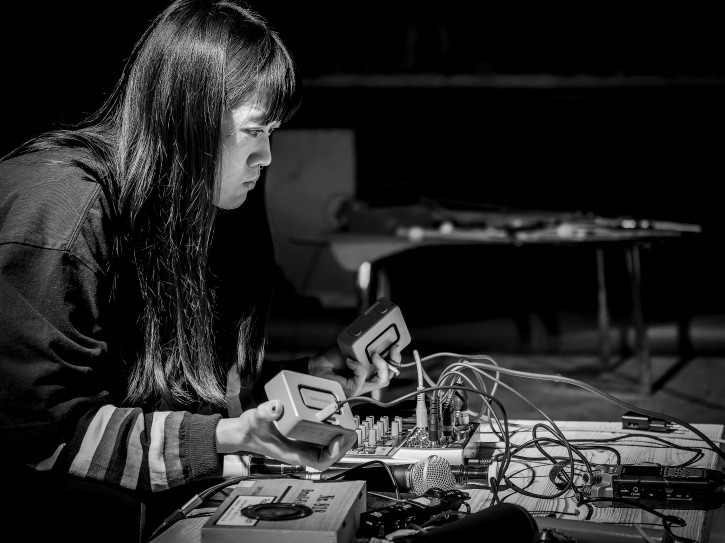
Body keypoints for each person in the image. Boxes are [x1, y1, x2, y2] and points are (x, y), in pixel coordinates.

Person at [0, 1, 399, 541]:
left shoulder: (195, 210)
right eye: (254, 130)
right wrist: (227, 437)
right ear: (187, 119)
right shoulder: (59, 211)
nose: (267, 157)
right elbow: (44, 436)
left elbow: (179, 403)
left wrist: (309, 378)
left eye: (272, 132)